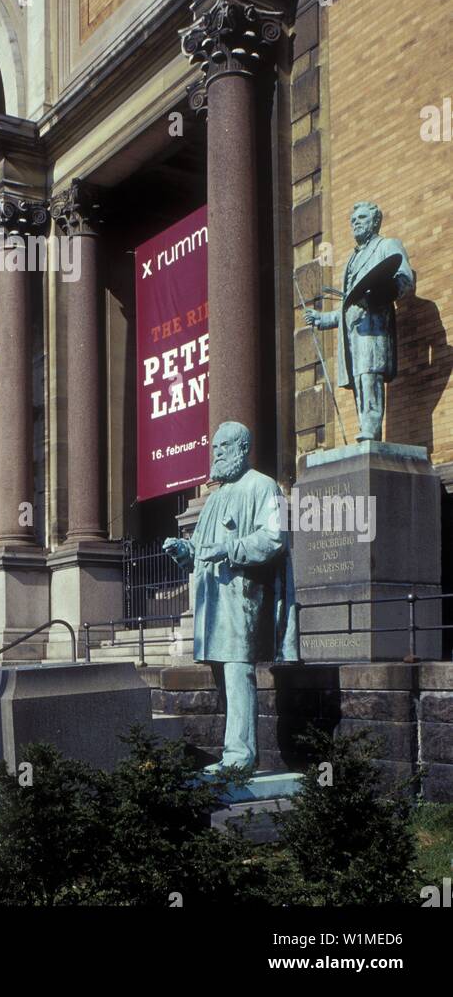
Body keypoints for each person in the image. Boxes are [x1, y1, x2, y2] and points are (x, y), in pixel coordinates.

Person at [163, 421, 298, 771]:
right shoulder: (216, 496)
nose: (216, 452)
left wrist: (230, 548)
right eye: (215, 447)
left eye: (224, 446)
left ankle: (241, 756)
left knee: (239, 673)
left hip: (242, 598)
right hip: (213, 602)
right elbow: (202, 551)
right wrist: (184, 551)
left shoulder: (264, 486)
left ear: (242, 448)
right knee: (223, 674)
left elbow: (275, 538)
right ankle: (232, 752)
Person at [304, 201, 414, 441]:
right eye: (353, 220)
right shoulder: (352, 259)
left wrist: (375, 297)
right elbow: (348, 306)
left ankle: (371, 429)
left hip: (374, 326)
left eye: (362, 218)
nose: (355, 223)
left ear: (375, 222)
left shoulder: (387, 246)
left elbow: (405, 280)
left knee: (369, 376)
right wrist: (322, 319)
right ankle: (365, 427)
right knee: (359, 382)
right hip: (352, 334)